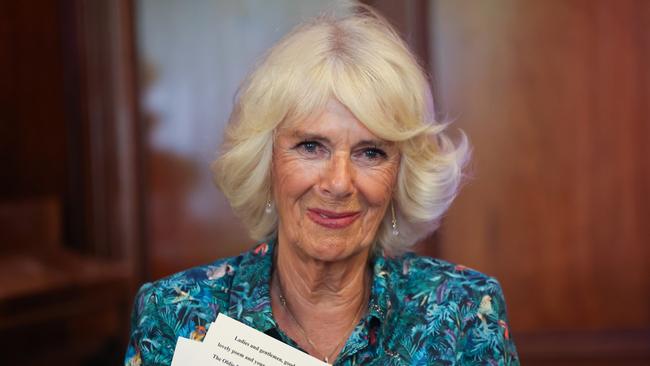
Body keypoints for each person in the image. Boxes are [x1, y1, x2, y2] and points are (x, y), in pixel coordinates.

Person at [124, 6, 519, 366]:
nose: (338, 182)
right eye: (311, 146)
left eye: (371, 153)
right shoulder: (173, 312)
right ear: (267, 163)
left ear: (402, 175)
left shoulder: (465, 308)